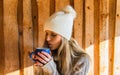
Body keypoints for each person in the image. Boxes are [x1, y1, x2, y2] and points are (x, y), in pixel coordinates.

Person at [31, 5, 90, 75]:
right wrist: (39, 68)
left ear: (64, 37)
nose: (47, 38)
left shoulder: (82, 59)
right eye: (47, 34)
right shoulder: (49, 56)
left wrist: (51, 69)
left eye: (53, 35)